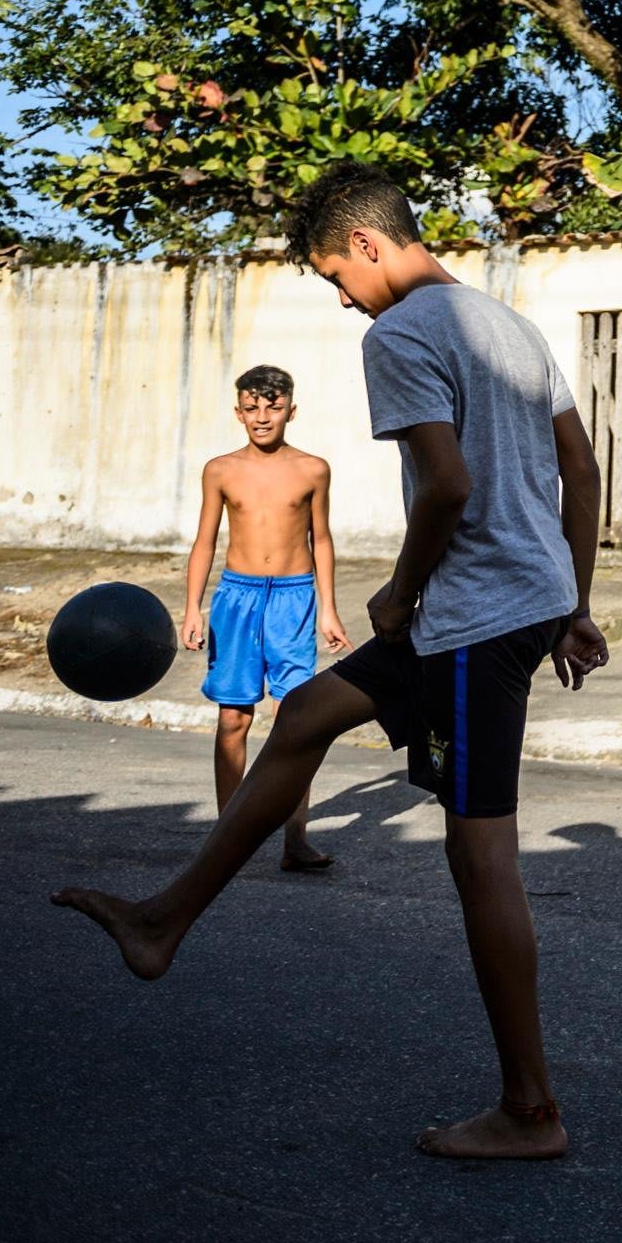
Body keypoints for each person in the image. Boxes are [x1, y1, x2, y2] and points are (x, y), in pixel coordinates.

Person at [55, 166, 611, 1161]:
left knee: (479, 854)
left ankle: (531, 1111)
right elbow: (582, 467)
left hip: (469, 621)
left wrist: (397, 592)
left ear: (365, 244)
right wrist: (572, 602)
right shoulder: (509, 325)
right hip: (499, 609)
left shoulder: (399, 334)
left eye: (334, 278)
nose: (344, 300)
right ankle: (161, 921)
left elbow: (448, 485)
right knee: (307, 713)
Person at [181, 364, 347, 872]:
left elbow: (321, 539)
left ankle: (295, 839)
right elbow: (205, 541)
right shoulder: (220, 470)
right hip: (237, 599)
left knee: (296, 720)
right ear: (238, 412)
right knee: (233, 718)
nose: (262, 417)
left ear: (290, 411)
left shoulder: (313, 469)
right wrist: (192, 607)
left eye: (273, 408)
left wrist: (328, 609)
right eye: (252, 408)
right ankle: (225, 841)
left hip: (294, 601)